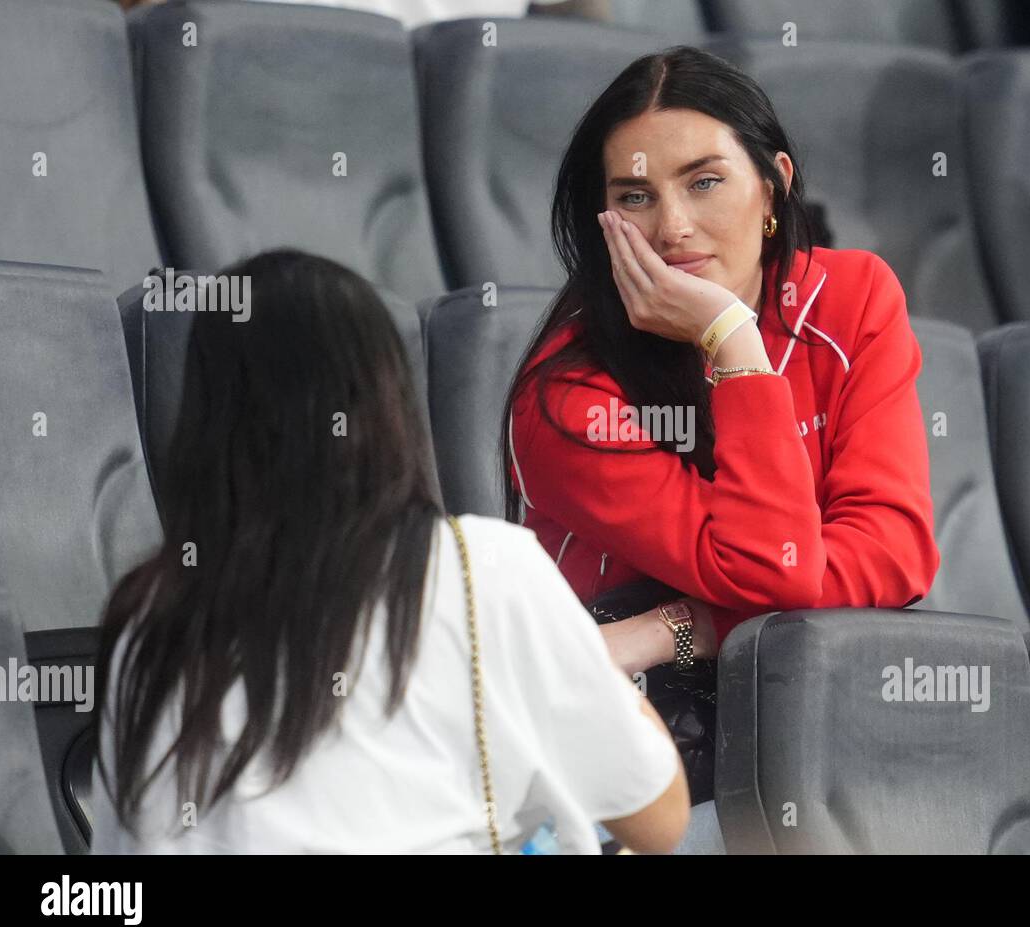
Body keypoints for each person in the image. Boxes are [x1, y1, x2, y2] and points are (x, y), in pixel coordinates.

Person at [89, 250, 688, 854]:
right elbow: (659, 819)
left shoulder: (147, 617)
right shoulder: (486, 569)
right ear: (391, 405)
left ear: (201, 420)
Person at [502, 45, 939, 783]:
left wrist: (681, 627)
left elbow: (896, 549)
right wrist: (732, 338)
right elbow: (774, 573)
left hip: (815, 717)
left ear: (774, 188)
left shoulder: (853, 299)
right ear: (603, 217)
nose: (673, 227)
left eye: (704, 182)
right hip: (621, 740)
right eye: (635, 197)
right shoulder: (567, 391)